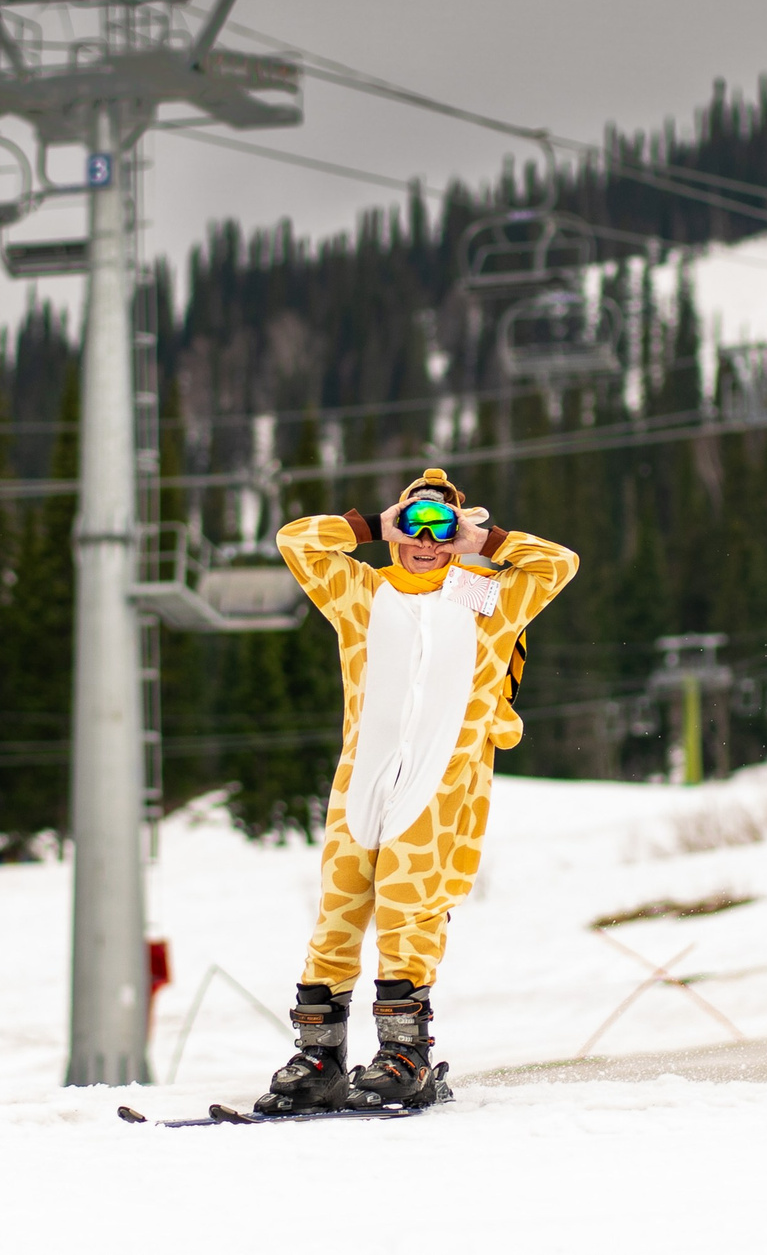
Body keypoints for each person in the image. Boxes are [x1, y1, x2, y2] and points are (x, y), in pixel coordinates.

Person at [255, 468, 577, 1114]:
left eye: (441, 527)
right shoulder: (363, 593)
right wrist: (369, 526)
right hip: (362, 782)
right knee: (337, 914)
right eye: (412, 524)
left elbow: (558, 564)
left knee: (408, 909)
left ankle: (406, 1055)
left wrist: (482, 543)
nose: (425, 539)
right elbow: (297, 543)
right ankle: (319, 1057)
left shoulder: (488, 598)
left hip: (437, 785)